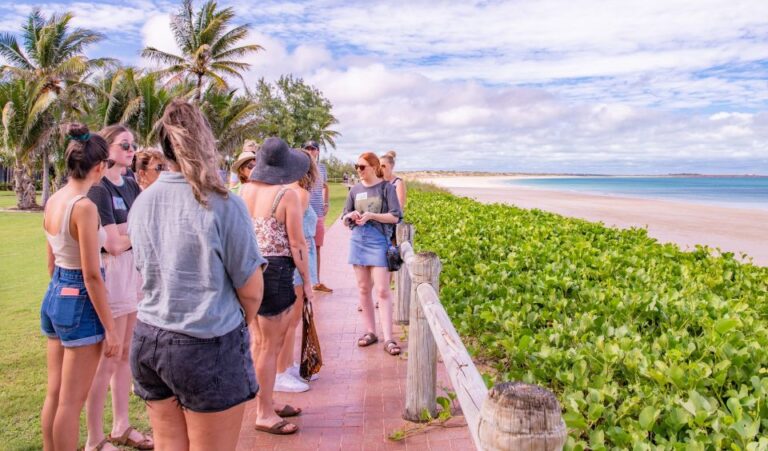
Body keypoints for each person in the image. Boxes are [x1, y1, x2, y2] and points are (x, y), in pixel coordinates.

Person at [128, 100, 266, 450]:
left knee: (169, 443)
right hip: (206, 342)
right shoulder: (222, 202)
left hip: (150, 338)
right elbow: (251, 290)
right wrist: (236, 324)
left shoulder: (143, 201)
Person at [40, 123, 120, 451]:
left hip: (56, 291)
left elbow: (50, 261)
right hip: (79, 297)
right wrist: (111, 329)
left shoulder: (56, 199)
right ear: (99, 167)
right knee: (71, 403)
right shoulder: (84, 207)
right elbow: (92, 274)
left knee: (56, 393)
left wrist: (59, 295)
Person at [85, 125, 153, 451]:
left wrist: (128, 234)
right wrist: (130, 234)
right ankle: (94, 439)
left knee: (126, 353)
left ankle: (121, 425)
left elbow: (141, 226)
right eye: (124, 144)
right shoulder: (98, 190)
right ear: (106, 149)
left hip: (133, 274)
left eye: (132, 145)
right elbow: (112, 244)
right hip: (112, 277)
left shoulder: (129, 184)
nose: (130, 149)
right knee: (108, 357)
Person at [240, 137, 314, 434]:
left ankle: (267, 400)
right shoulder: (287, 195)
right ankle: (264, 411)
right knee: (270, 346)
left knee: (259, 343)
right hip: (277, 272)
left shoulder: (243, 191)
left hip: (249, 270)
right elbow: (297, 244)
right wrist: (308, 282)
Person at [342, 152, 402, 356]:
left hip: (378, 242)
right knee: (363, 288)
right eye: (356, 166)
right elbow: (344, 217)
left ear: (374, 167)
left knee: (383, 290)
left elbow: (395, 217)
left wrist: (372, 215)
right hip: (358, 241)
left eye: (362, 167)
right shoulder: (355, 190)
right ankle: (370, 332)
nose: (358, 171)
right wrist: (350, 216)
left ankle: (389, 338)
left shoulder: (387, 188)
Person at [274, 150, 319, 392]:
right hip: (300, 256)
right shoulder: (299, 193)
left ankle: (287, 364)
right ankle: (282, 370)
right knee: (291, 318)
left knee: (290, 317)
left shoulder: (288, 190)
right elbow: (296, 233)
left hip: (302, 253)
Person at [303, 140, 332, 293]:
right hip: (304, 213)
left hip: (318, 212)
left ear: (318, 151)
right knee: (303, 247)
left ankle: (316, 281)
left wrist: (326, 203)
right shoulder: (300, 167)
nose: (310, 151)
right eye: (307, 148)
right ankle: (303, 282)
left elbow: (326, 186)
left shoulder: (322, 168)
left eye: (312, 148)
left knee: (317, 247)